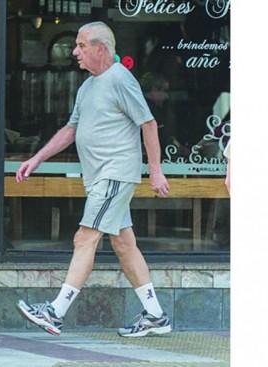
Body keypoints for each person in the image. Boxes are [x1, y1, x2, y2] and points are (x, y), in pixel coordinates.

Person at [15, 22, 172, 338]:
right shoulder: (88, 86)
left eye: (82, 45)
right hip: (101, 178)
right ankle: (156, 315)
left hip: (115, 175)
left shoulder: (120, 79)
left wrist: (155, 170)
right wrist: (37, 158)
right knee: (124, 244)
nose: (75, 51)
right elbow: (71, 130)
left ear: (101, 48)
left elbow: (149, 124)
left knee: (84, 238)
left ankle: (55, 311)